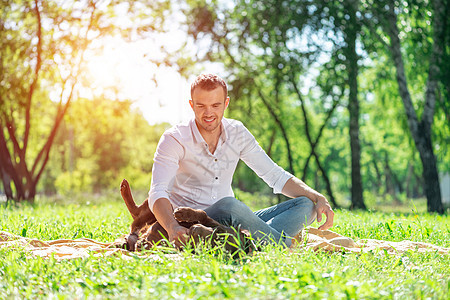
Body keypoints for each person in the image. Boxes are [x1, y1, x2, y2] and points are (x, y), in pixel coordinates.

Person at [148, 73, 334, 248]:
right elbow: (158, 191)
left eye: (215, 105)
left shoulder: (237, 132)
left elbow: (274, 175)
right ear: (191, 104)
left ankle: (246, 240)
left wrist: (319, 198)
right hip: (192, 224)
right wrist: (173, 228)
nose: (208, 113)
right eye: (201, 106)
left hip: (231, 221)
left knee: (307, 204)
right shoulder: (174, 138)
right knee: (229, 205)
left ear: (226, 103)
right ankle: (280, 245)